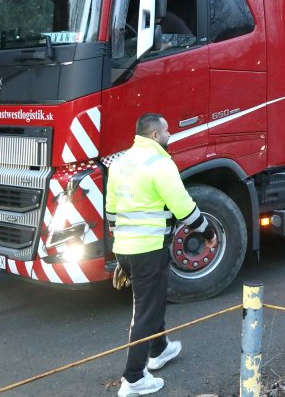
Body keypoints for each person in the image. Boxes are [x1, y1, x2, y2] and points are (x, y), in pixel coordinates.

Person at [107, 113, 217, 397]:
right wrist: (207, 231)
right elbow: (182, 206)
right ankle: (133, 379)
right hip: (149, 249)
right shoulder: (160, 164)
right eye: (167, 131)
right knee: (145, 311)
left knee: (151, 301)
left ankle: (160, 349)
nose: (170, 135)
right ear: (155, 135)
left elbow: (111, 208)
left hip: (126, 249)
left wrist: (121, 245)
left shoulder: (120, 163)